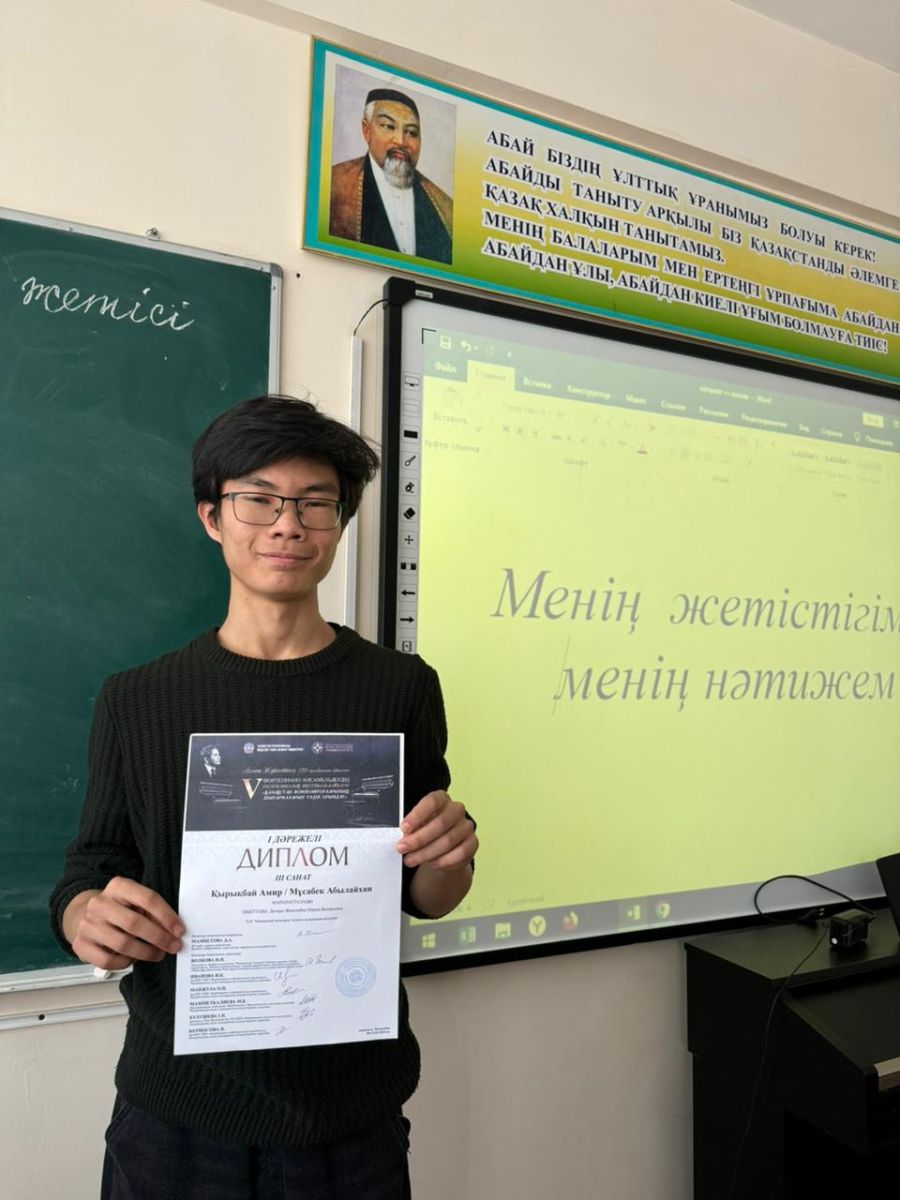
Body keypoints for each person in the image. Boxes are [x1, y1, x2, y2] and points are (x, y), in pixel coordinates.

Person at [49, 394, 477, 1200]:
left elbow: (424, 892)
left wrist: (450, 855)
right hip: (178, 1110)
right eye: (259, 500)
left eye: (315, 503)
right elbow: (89, 870)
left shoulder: (400, 687)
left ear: (340, 524)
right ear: (213, 517)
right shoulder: (138, 698)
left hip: (352, 1110)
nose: (288, 525)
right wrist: (83, 917)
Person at [329, 88, 453, 264]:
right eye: (388, 126)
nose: (401, 141)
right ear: (366, 130)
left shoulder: (445, 207)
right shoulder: (333, 185)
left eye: (411, 132)